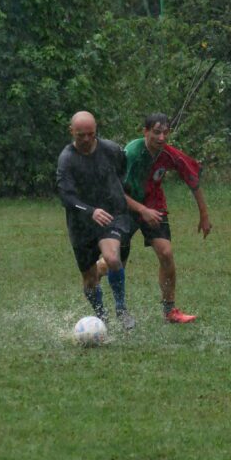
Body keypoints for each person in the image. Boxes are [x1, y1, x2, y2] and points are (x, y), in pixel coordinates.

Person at [121, 113, 211, 324]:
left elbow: (193, 179)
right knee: (114, 263)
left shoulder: (169, 154)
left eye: (165, 133)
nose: (161, 138)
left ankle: (170, 310)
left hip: (154, 206)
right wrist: (141, 209)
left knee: (166, 253)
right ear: (145, 132)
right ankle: (102, 283)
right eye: (156, 132)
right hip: (125, 207)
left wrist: (204, 216)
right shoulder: (131, 153)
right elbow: (115, 191)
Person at [56, 111, 136, 330]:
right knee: (90, 280)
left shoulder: (111, 150)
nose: (86, 139)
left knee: (112, 258)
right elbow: (66, 197)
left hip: (111, 215)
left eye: (91, 134)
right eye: (81, 135)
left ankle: (121, 309)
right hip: (81, 223)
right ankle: (101, 317)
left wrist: (118, 198)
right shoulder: (67, 159)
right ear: (71, 131)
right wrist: (90, 211)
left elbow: (123, 173)